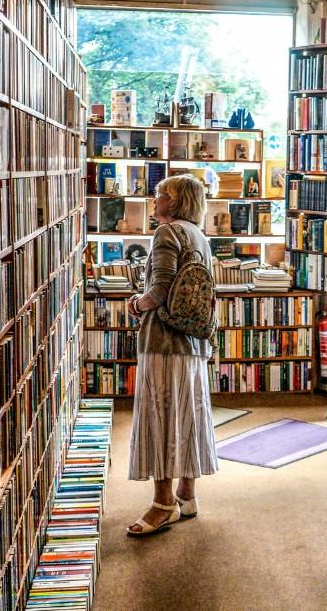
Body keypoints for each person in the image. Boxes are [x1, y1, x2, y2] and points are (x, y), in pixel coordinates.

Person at [124, 174, 219, 536]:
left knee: (160, 418)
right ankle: (187, 495)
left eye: (161, 193)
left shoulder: (166, 233)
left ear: (176, 202)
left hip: (164, 342)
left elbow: (160, 290)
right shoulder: (199, 235)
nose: (155, 197)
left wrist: (135, 304)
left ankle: (163, 504)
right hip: (193, 341)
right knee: (188, 415)